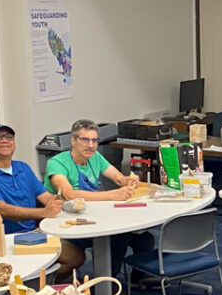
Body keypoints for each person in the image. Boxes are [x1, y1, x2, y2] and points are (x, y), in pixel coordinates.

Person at [44, 118, 155, 281]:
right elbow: (69, 194)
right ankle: (107, 283)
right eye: (85, 140)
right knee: (118, 236)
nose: (91, 145)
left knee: (144, 240)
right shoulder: (57, 163)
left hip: (93, 215)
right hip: (68, 224)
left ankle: (139, 279)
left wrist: (128, 181)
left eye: (95, 140)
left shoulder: (94, 157)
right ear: (73, 141)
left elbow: (118, 178)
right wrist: (112, 195)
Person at [0, 123, 82, 276]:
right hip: (1, 241)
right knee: (73, 257)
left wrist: (58, 199)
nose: (4, 140)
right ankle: (32, 286)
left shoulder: (23, 168)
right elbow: (1, 210)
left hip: (32, 234)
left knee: (77, 256)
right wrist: (44, 212)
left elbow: (45, 197)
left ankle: (36, 286)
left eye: (9, 137)